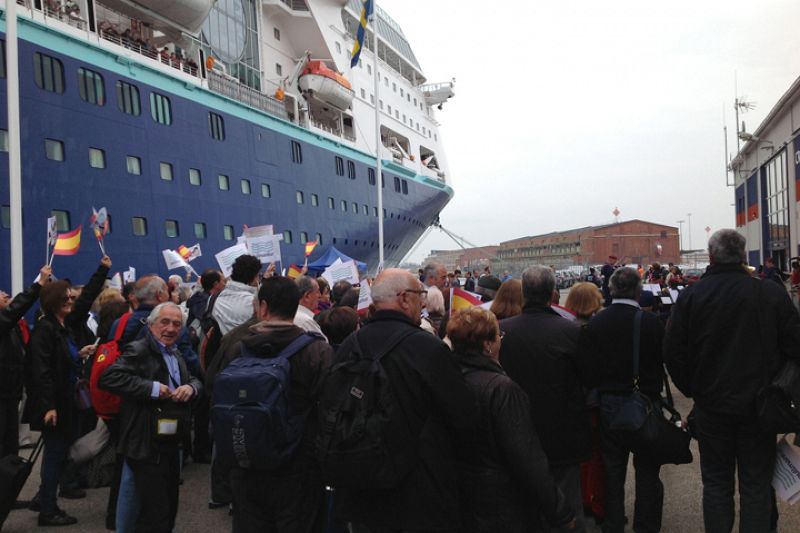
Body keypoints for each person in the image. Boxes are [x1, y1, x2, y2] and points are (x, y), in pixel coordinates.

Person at [664, 229, 800, 533]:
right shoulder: (768, 293)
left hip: (712, 406)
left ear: (711, 256)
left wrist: (694, 389)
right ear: (743, 256)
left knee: (716, 483)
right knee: (756, 485)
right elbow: (794, 344)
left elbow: (673, 352)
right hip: (759, 406)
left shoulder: (693, 296)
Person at [333, 268, 474, 532]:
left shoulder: (350, 345)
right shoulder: (428, 348)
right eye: (421, 295)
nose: (424, 302)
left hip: (361, 485)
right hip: (420, 490)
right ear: (404, 298)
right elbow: (463, 416)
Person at [215, 276, 334, 532]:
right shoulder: (317, 351)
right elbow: (330, 407)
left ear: (263, 307)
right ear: (297, 304)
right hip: (298, 465)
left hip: (247, 460)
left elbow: (214, 391)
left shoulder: (238, 347)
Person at [448, 307, 575, 532]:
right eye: (499, 335)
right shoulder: (501, 389)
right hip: (503, 502)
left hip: (462, 496)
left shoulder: (449, 379)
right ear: (487, 345)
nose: (501, 340)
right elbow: (527, 457)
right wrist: (559, 510)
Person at [499, 265, 592, 533]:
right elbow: (590, 378)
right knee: (568, 504)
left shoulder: (501, 331)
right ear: (553, 293)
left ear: (524, 293)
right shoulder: (571, 331)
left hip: (516, 430)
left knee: (524, 504)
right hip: (562, 431)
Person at [100, 302, 203, 533]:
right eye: (164, 322)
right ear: (151, 324)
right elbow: (109, 378)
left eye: (176, 324)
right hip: (146, 442)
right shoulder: (140, 349)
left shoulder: (175, 352)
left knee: (168, 505)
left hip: (170, 440)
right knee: (153, 512)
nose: (171, 328)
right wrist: (152, 388)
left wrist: (191, 388)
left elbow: (194, 379)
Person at [26, 257, 111, 526]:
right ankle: (47, 510)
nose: (72, 300)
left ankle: (45, 500)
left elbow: (86, 300)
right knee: (54, 455)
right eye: (67, 297)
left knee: (59, 454)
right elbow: (41, 372)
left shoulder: (63, 327)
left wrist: (102, 270)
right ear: (54, 302)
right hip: (55, 405)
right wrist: (48, 406)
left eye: (72, 297)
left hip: (65, 402)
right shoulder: (45, 329)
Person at [580, 267, 666, 533]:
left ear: (610, 290)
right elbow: (663, 360)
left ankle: (614, 524)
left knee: (612, 470)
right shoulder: (651, 322)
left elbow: (588, 370)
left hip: (609, 404)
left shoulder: (595, 323)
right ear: (639, 291)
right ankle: (646, 526)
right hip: (646, 401)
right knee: (648, 471)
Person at [0, 265, 51, 461]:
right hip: (3, 394)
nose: (5, 294)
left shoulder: (11, 328)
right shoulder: (5, 322)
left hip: (10, 394)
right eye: (1, 293)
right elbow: (16, 308)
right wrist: (39, 283)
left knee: (10, 446)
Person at [212, 255, 262, 336]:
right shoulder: (254, 303)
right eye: (258, 276)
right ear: (254, 277)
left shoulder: (214, 300)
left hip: (225, 343)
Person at [293, 276, 327, 341]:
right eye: (317, 291)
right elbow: (323, 344)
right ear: (307, 296)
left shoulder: (292, 314)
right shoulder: (305, 321)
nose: (320, 295)